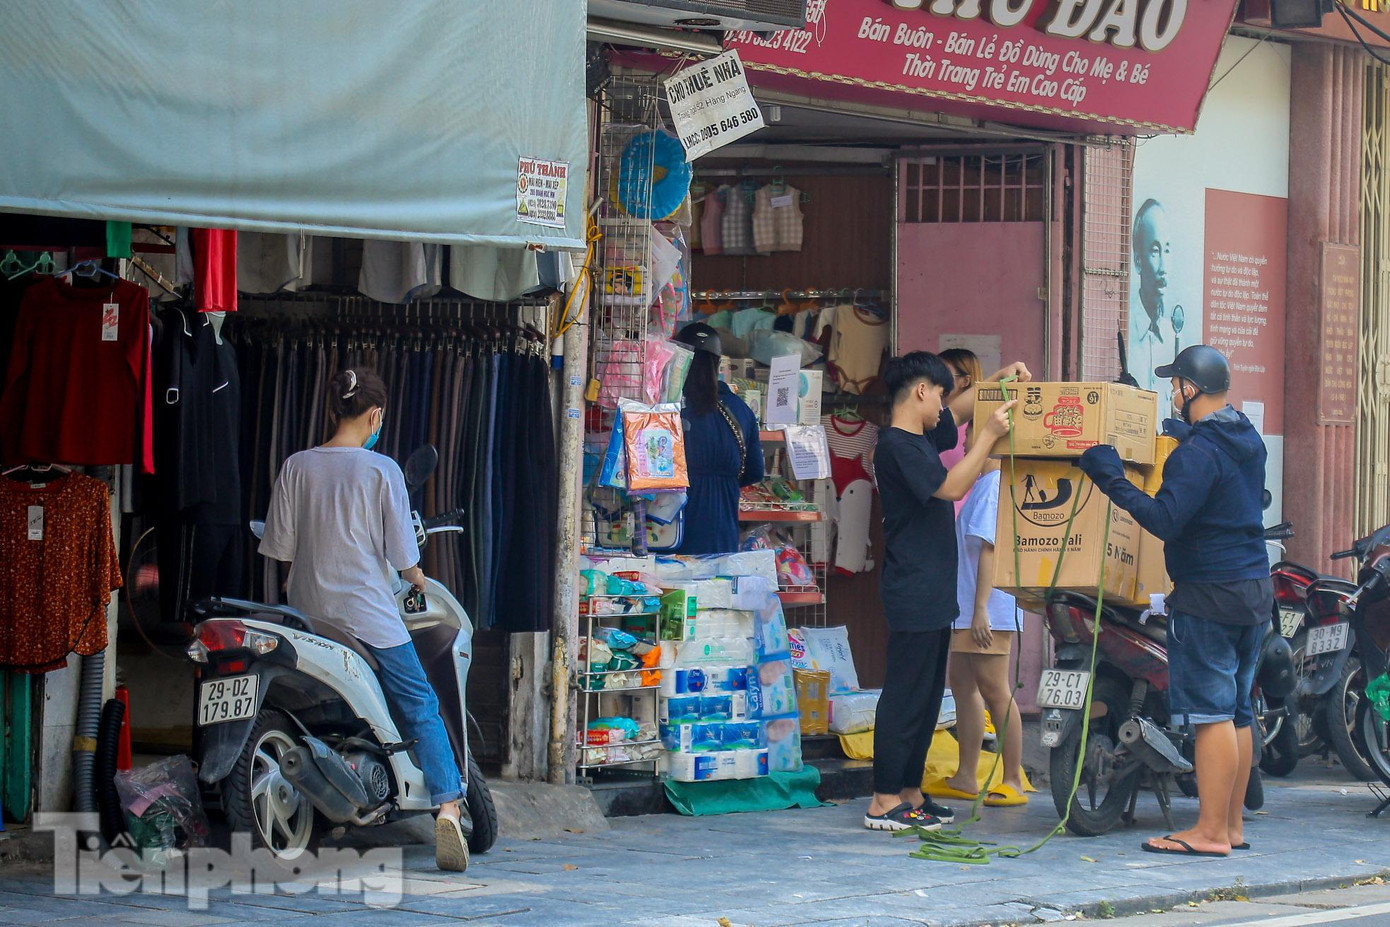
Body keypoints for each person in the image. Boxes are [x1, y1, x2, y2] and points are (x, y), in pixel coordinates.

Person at [259, 367, 471, 872]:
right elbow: (402, 554)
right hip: (368, 617)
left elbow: (281, 550)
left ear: (335, 410)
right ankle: (447, 806)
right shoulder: (382, 470)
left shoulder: (296, 466)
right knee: (421, 704)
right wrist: (418, 577)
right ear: (375, 415)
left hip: (308, 616)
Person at [1079, 345, 1272, 857]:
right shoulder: (1246, 437)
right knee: (1237, 712)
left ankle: (1208, 832)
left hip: (1209, 594)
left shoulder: (1197, 453)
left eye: (1173, 386)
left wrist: (1110, 475)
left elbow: (1165, 518)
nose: (1171, 394)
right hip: (1254, 589)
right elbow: (1218, 479)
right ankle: (1230, 827)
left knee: (1211, 715)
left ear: (1189, 389)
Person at [865, 351, 1027, 832]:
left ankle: (910, 791)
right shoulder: (896, 446)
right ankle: (883, 799)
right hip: (912, 587)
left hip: (935, 587)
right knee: (906, 695)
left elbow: (957, 411)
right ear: (920, 391)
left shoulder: (920, 437)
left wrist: (997, 379)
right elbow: (953, 487)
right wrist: (988, 437)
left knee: (929, 695)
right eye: (938, 393)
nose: (943, 404)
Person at [940, 425, 1026, 807]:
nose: (964, 442)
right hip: (969, 605)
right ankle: (965, 775)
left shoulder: (994, 485)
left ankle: (1013, 779)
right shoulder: (983, 484)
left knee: (995, 689)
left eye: (970, 434)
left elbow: (990, 549)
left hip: (987, 607)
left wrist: (980, 611)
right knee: (962, 683)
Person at [671, 322, 764, 555]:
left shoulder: (670, 405)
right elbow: (755, 471)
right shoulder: (740, 410)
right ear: (717, 363)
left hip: (673, 530)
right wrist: (722, 478)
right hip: (722, 532)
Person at [1130, 199, 1180, 406]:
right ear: (1138, 261)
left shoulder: (1173, 336)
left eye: (1166, 250)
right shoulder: (1125, 332)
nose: (1163, 267)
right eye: (1155, 251)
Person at [938, 348, 984, 515]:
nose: (936, 380)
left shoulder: (976, 425)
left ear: (965, 381)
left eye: (943, 374)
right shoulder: (934, 420)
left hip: (960, 513)